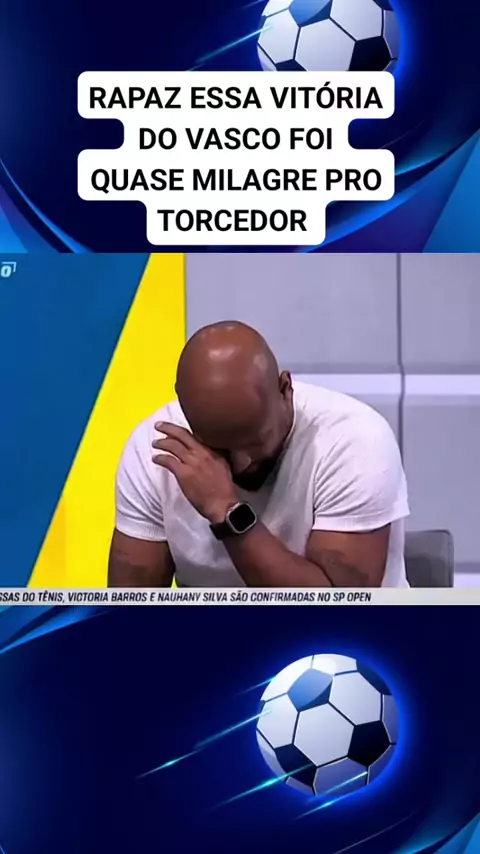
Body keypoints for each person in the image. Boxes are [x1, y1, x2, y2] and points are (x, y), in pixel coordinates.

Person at [108, 321, 410, 588]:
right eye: (218, 448)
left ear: (285, 390)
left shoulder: (352, 440)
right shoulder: (156, 450)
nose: (242, 464)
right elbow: (130, 611)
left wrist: (227, 511)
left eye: (256, 441)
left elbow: (336, 612)